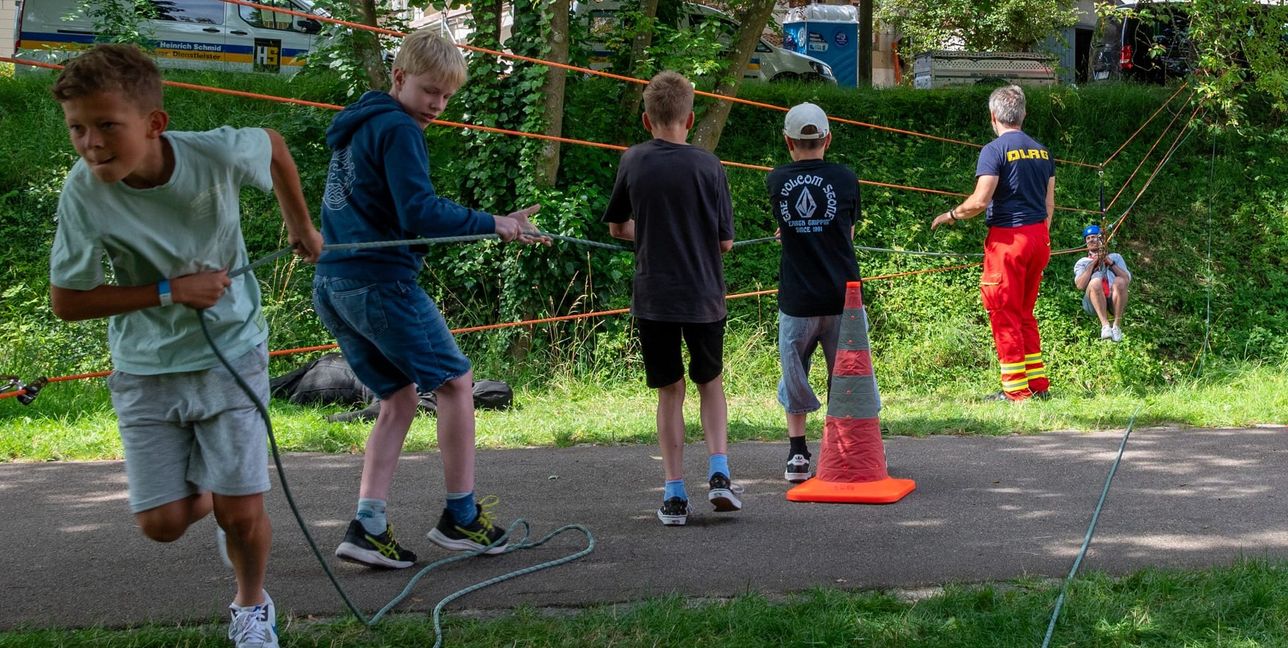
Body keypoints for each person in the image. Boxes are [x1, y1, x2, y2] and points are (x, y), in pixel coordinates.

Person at [47, 44, 324, 648]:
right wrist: (171, 291)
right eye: (77, 129)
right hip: (146, 367)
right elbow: (68, 302)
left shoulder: (214, 153)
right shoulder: (84, 190)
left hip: (232, 350)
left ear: (154, 124)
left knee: (241, 514)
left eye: (106, 126)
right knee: (162, 524)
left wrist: (300, 226)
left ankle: (251, 607)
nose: (91, 143)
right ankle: (212, 483)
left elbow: (274, 144)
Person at [312, 29, 545, 569]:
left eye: (446, 95)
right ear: (398, 78)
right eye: (429, 91)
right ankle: (460, 517)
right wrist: (497, 223)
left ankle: (367, 526)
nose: (438, 105)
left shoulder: (360, 127)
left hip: (334, 284)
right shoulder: (397, 129)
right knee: (456, 382)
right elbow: (419, 213)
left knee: (397, 399)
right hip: (378, 281)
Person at [602, 70, 741, 526]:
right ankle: (719, 473)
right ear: (690, 117)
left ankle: (675, 494)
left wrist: (653, 231)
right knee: (710, 382)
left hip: (655, 296)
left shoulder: (633, 161)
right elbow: (724, 242)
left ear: (647, 120)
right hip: (703, 294)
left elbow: (618, 227)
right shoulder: (709, 166)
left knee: (669, 391)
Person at [930, 85, 1054, 402]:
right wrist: (1039, 234)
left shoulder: (994, 151)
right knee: (1025, 312)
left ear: (993, 116)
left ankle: (1014, 390)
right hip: (1039, 236)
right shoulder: (1043, 151)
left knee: (1003, 310)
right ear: (1023, 114)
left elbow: (980, 201)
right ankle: (1037, 384)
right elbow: (1049, 204)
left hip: (1007, 240)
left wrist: (952, 214)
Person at [767, 102, 869, 483]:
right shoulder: (845, 178)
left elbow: (791, 225)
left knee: (794, 371)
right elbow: (848, 231)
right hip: (843, 296)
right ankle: (842, 451)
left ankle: (797, 455)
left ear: (787, 142)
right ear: (828, 138)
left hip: (798, 297)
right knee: (845, 374)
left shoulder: (776, 181)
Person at [1073, 224, 1131, 342]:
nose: (1091, 240)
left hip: (1113, 300)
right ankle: (1105, 326)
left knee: (1120, 280)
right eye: (1088, 238)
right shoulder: (1082, 262)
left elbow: (1126, 279)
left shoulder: (1115, 257)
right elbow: (1080, 285)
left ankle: (1116, 326)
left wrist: (1110, 262)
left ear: (1102, 240)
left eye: (1094, 237)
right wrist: (1092, 265)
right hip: (1092, 303)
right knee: (1095, 282)